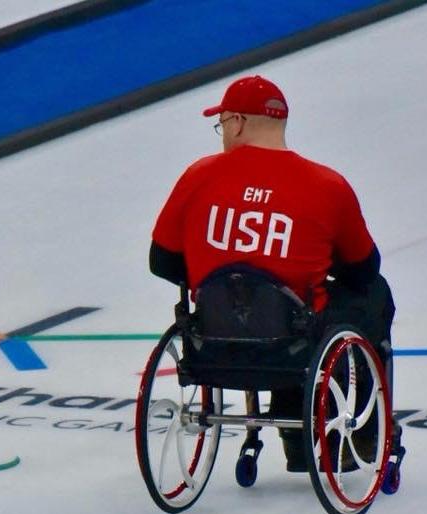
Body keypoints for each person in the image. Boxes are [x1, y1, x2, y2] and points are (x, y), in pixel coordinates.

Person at [149, 74, 397, 472]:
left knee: (295, 311)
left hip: (212, 341)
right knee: (372, 296)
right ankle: (363, 435)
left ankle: (296, 438)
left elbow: (161, 262)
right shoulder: (326, 185)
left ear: (238, 123)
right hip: (293, 343)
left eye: (222, 123)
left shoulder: (198, 175)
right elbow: (364, 269)